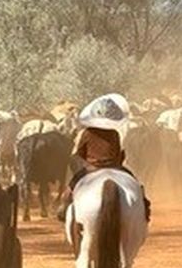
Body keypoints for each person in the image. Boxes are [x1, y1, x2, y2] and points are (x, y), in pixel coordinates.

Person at [57, 93, 151, 221]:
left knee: (70, 189)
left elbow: (78, 155)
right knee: (136, 184)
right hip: (114, 167)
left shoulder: (87, 133)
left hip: (91, 168)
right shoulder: (114, 133)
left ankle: (63, 208)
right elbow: (118, 155)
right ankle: (145, 208)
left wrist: (84, 165)